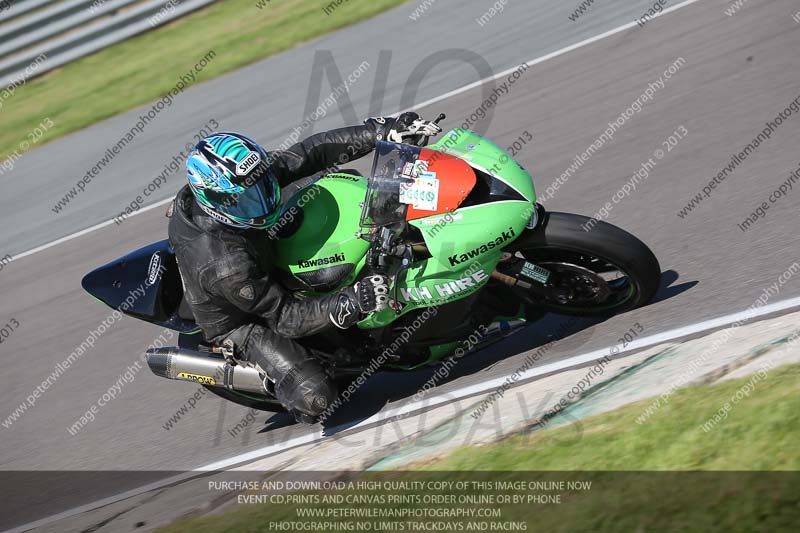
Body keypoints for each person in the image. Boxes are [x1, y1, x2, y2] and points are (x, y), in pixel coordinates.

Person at [167, 112, 442, 423]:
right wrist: (351, 301)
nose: (262, 200)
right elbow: (285, 318)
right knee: (318, 399)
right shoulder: (226, 265)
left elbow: (311, 152)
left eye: (262, 185)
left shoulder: (244, 182)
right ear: (217, 202)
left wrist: (381, 131)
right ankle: (275, 374)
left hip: (259, 247)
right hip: (247, 316)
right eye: (246, 200)